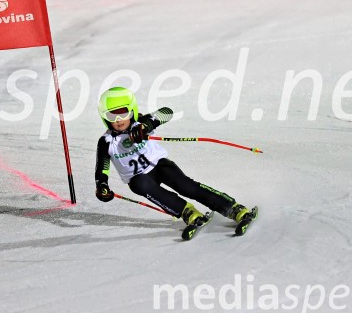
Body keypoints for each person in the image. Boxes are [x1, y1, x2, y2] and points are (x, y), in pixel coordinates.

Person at [94, 86, 252, 227]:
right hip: (140, 178)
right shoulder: (106, 141)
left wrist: (147, 126)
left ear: (132, 110)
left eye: (123, 113)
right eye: (112, 115)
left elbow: (166, 112)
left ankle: (231, 208)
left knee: (186, 186)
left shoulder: (141, 123)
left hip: (160, 166)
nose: (118, 120)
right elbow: (103, 167)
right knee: (138, 184)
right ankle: (186, 212)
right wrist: (102, 186)